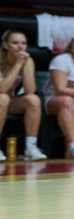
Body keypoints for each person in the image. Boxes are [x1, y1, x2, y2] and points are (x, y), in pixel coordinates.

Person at [0, 30, 47, 160]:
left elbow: (30, 90)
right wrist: (18, 65)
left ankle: (31, 147)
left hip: (8, 102)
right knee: (3, 98)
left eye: (23, 43)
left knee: (33, 100)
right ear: (5, 45)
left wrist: (25, 65)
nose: (20, 47)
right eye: (15, 43)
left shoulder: (27, 61)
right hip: (2, 98)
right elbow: (2, 89)